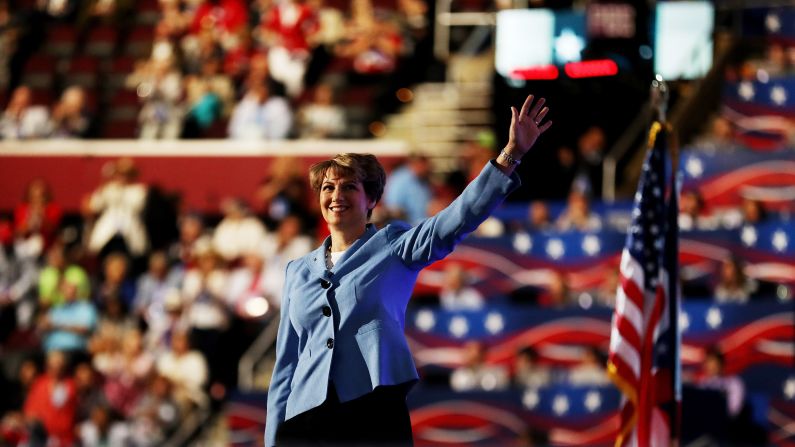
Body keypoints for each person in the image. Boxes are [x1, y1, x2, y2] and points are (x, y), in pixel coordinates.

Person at [266, 94, 552, 446]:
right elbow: (285, 367)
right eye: (327, 187)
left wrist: (510, 156)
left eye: (348, 186)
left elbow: (456, 219)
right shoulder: (297, 270)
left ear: (371, 199)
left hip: (372, 413)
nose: (336, 194)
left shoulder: (393, 246)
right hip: (304, 421)